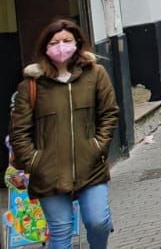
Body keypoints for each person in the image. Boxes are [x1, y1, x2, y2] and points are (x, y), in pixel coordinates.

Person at [8, 19, 119, 249]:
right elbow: (19, 130)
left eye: (67, 40)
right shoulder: (32, 84)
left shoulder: (96, 74)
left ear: (77, 42)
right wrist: (34, 161)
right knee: (60, 232)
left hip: (90, 167)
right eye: (55, 41)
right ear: (45, 47)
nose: (61, 46)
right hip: (48, 173)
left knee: (98, 222)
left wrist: (98, 146)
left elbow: (109, 114)